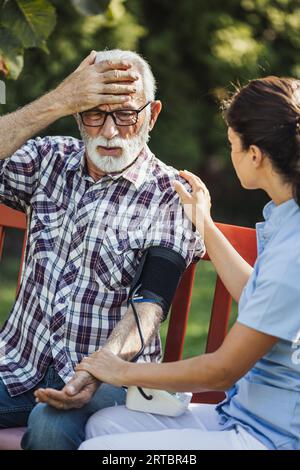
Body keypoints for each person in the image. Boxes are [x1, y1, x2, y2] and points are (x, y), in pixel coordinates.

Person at [77, 76, 300, 451]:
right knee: (106, 428)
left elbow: (224, 369)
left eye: (232, 145)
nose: (230, 153)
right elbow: (258, 296)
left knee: (100, 452)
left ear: (256, 155)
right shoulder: (286, 216)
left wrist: (122, 371)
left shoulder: (293, 249)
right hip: (241, 415)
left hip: (274, 437)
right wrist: (205, 224)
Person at [0, 49, 204, 449]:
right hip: (15, 365)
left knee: (50, 424)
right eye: (94, 112)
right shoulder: (48, 160)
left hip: (110, 377)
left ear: (153, 114)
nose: (110, 131)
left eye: (126, 114)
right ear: (78, 114)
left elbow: (149, 306)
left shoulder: (171, 195)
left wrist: (95, 370)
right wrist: (59, 98)